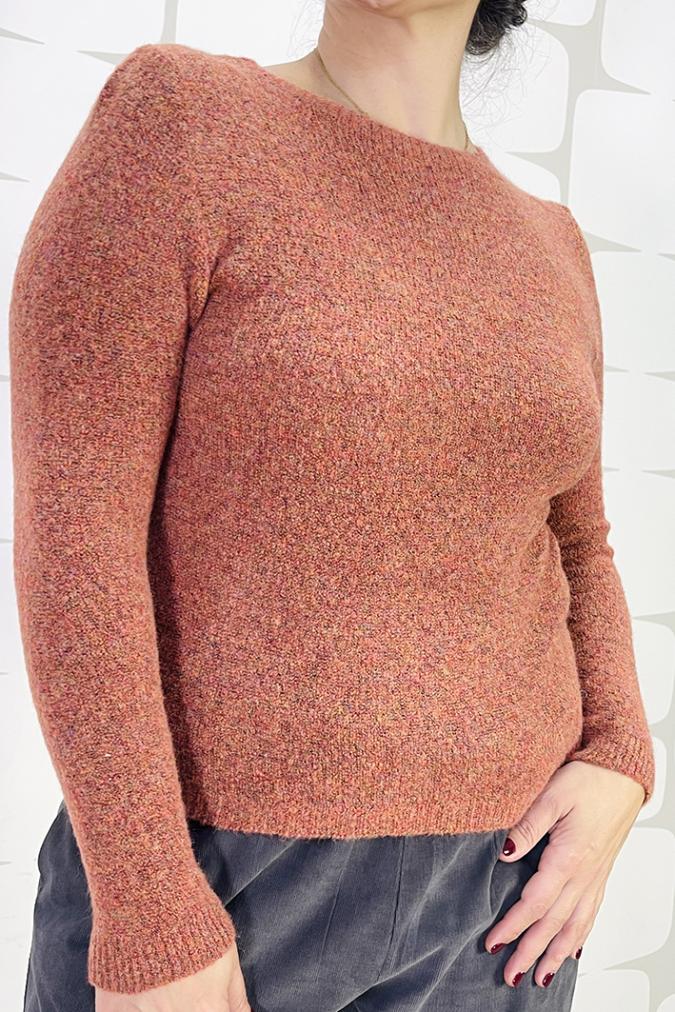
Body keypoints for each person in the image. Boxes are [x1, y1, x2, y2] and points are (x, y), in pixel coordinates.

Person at [10, 2, 655, 1010]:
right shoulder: (179, 122)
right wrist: (148, 906)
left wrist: (621, 752)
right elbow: (76, 530)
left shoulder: (550, 243)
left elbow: (578, 541)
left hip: (505, 903)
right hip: (220, 879)